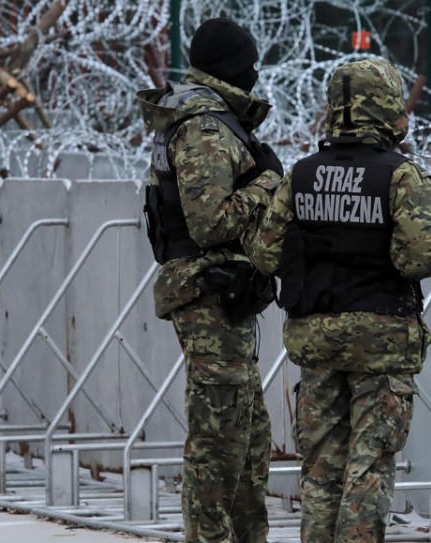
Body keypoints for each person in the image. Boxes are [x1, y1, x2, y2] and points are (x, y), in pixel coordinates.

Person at [242, 58, 431, 543]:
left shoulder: (302, 175)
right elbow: (429, 253)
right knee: (369, 466)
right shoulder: (400, 176)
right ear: (388, 107)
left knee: (321, 469)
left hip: (317, 338)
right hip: (380, 340)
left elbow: (265, 252)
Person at [137, 17, 283, 543]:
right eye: (249, 65)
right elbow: (211, 223)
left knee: (248, 435)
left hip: (219, 293)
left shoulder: (206, 117)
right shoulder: (205, 126)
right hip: (207, 291)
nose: (255, 74)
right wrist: (268, 180)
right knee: (219, 441)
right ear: (229, 68)